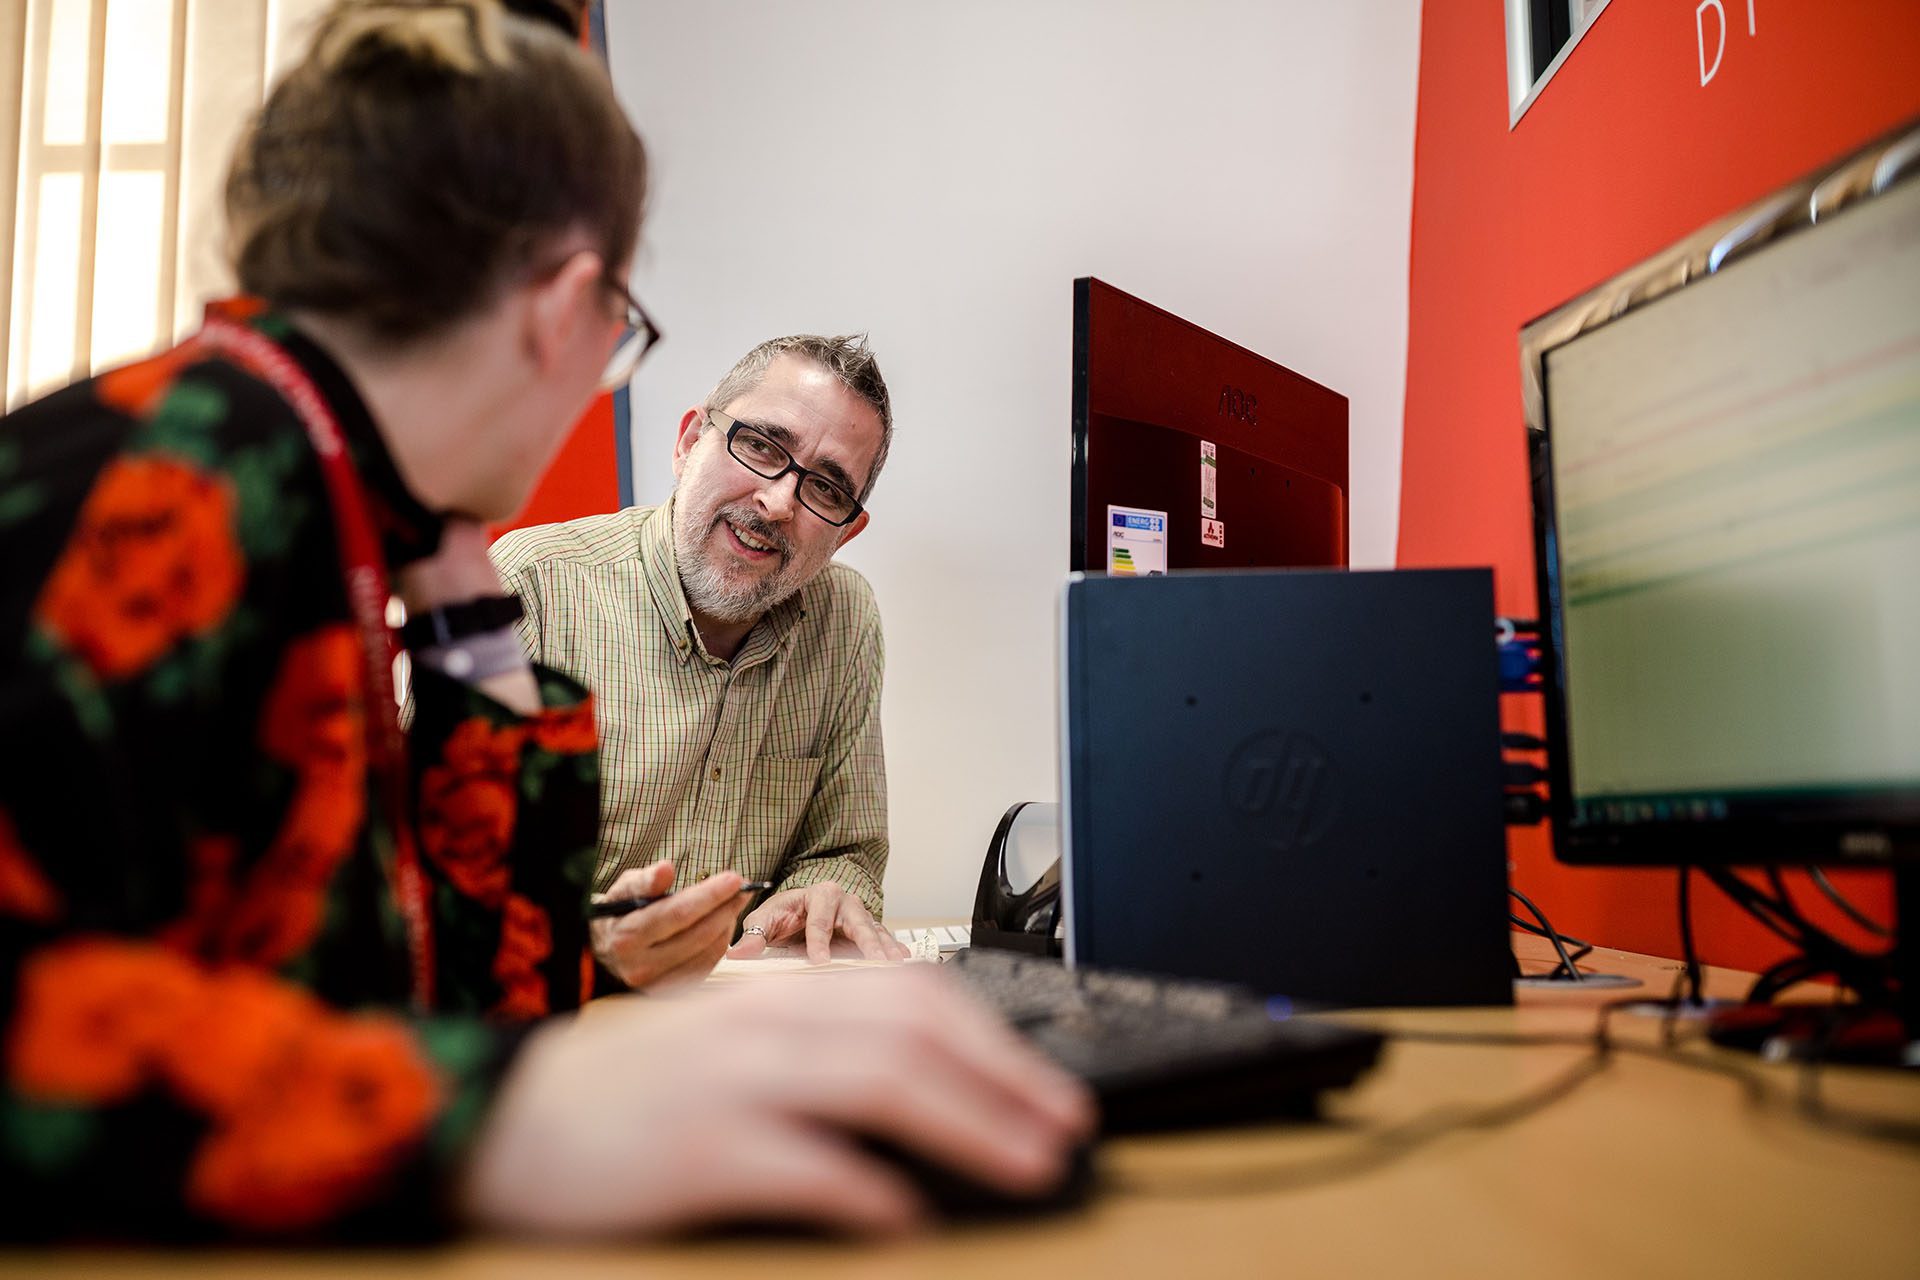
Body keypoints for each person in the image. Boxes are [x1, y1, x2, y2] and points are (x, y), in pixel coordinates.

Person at [0, 0, 1089, 1242]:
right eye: (620, 333)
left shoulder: (355, 520)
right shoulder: (173, 489)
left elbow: (455, 990)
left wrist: (474, 654)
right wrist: (495, 1112)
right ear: (566, 305)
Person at [492, 335, 915, 987]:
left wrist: (820, 894)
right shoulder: (530, 591)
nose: (777, 503)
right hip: (548, 1027)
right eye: (762, 446)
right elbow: (415, 890)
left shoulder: (845, 620)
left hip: (747, 1031)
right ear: (690, 442)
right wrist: (594, 949)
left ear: (845, 532)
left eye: (826, 488)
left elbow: (845, 853)